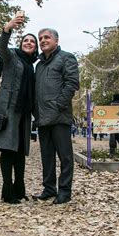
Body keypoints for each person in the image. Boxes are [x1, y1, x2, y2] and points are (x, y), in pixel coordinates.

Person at [0, 15, 38, 204]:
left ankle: (19, 189)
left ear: (35, 47)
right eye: (26, 40)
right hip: (8, 112)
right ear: (21, 43)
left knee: (20, 153)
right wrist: (7, 29)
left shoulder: (32, 66)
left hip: (24, 114)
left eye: (32, 41)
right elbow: (2, 48)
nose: (29, 43)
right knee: (8, 151)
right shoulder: (11, 56)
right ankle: (7, 191)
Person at [32, 28, 80, 205]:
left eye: (47, 37)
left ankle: (65, 191)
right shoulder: (39, 65)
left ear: (56, 41)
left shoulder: (66, 57)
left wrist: (59, 104)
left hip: (60, 117)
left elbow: (72, 83)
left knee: (65, 157)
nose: (43, 40)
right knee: (47, 157)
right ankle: (49, 188)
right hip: (43, 118)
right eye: (41, 38)